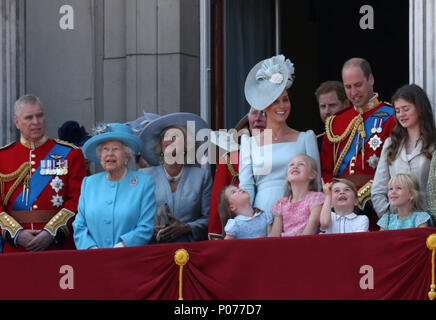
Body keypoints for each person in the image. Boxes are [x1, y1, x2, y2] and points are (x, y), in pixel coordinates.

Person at [0, 94, 87, 252]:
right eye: (29, 117)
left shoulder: (70, 154)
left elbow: (79, 201)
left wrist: (50, 233)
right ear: (17, 122)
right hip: (16, 249)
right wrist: (17, 234)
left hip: (59, 247)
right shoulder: (2, 157)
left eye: (39, 115)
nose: (36, 122)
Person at [320, 58, 396, 229]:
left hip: (378, 204)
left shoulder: (391, 116)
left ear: (371, 80)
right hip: (340, 207)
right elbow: (326, 170)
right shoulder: (336, 123)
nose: (353, 92)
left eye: (358, 85)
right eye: (348, 87)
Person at [240, 54, 321, 213]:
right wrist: (249, 221)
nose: (282, 106)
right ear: (264, 106)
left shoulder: (306, 138)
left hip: (300, 215)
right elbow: (246, 187)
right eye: (275, 101)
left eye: (285, 99)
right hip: (262, 212)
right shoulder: (249, 143)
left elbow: (316, 183)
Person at [73, 123, 156, 249]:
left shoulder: (144, 183)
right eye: (105, 149)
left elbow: (146, 227)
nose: (110, 154)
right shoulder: (88, 183)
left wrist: (121, 247)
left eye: (116, 149)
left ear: (127, 156)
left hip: (128, 258)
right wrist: (91, 249)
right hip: (92, 259)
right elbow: (79, 225)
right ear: (100, 155)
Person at [140, 112, 212, 243]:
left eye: (175, 136)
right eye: (165, 137)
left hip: (189, 250)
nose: (169, 140)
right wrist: (149, 229)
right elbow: (134, 217)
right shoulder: (144, 176)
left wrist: (186, 227)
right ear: (161, 145)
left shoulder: (201, 176)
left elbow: (209, 219)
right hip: (154, 249)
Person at [371, 84, 436, 217]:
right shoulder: (391, 143)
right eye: (398, 110)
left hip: (428, 223)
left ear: (420, 109)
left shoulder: (433, 143)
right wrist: (389, 217)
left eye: (406, 109)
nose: (401, 115)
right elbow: (378, 189)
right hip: (396, 223)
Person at [208, 108, 267, 235]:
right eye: (255, 115)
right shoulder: (229, 158)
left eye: (264, 115)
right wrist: (218, 236)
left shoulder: (283, 152)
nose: (259, 119)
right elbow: (218, 202)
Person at [269, 154, 325, 237]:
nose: (295, 167)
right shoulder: (281, 203)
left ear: (312, 175)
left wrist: (303, 237)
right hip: (285, 245)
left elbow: (313, 223)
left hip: (307, 243)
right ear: (287, 176)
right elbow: (275, 234)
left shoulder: (316, 198)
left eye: (301, 164)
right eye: (292, 164)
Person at [314, 81, 350, 151]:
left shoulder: (359, 134)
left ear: (346, 104)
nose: (327, 111)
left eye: (332, 105)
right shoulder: (317, 143)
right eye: (323, 106)